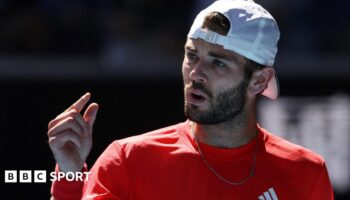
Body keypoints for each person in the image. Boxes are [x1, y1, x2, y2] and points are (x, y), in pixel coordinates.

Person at [47, 0, 334, 199]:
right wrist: (71, 181)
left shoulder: (307, 172)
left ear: (259, 80)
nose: (196, 73)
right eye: (192, 55)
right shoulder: (127, 160)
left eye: (218, 63)